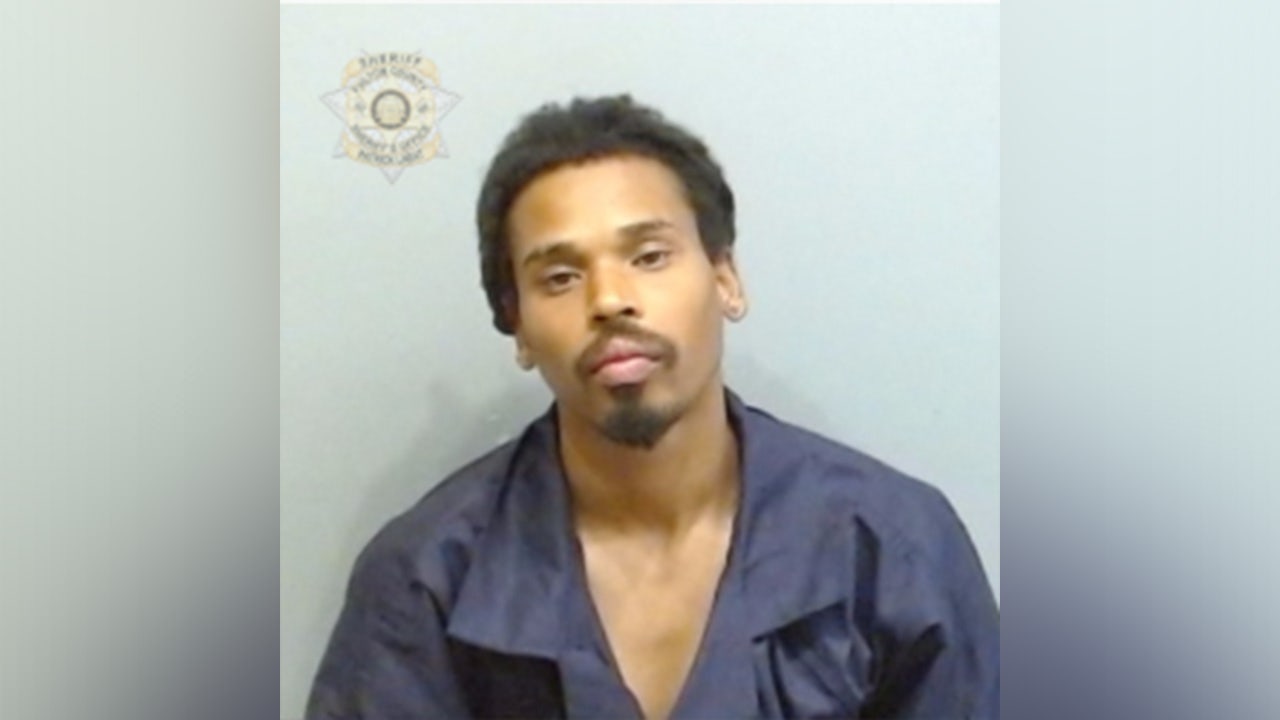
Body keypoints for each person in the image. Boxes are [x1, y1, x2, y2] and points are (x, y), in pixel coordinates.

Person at [305, 94, 999, 719]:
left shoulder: (895, 548)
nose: (610, 300)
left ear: (725, 279)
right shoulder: (425, 580)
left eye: (649, 256)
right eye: (560, 277)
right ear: (518, 328)